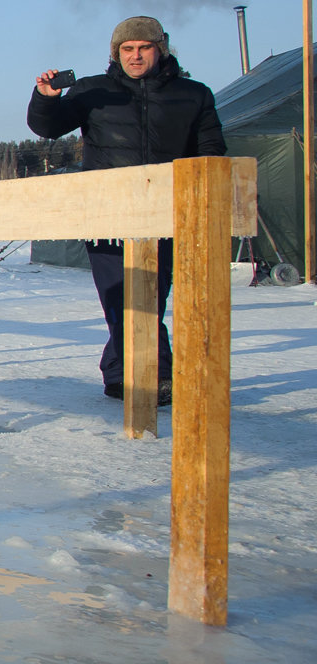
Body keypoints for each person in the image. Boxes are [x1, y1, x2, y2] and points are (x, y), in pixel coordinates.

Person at [26, 16, 225, 406]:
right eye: (127, 49)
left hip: (166, 214)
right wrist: (46, 98)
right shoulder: (93, 90)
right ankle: (155, 376)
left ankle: (119, 372)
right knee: (122, 297)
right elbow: (47, 128)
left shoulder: (194, 95)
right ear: (116, 54)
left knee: (152, 297)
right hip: (108, 216)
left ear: (160, 49)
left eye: (144, 48)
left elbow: (211, 151)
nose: (135, 56)